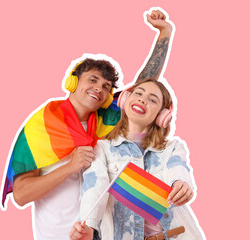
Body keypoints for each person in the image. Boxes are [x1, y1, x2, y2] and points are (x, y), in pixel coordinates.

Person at [0, 9, 174, 240]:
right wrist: (70, 166)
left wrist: (165, 33)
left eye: (106, 86)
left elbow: (143, 85)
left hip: (103, 233)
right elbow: (21, 195)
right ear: (73, 81)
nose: (99, 89)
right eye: (93, 80)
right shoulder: (41, 126)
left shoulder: (106, 119)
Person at [71, 79, 205, 240]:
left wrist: (181, 184)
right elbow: (94, 189)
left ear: (162, 115)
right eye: (138, 93)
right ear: (125, 99)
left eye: (152, 99)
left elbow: (177, 169)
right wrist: (89, 226)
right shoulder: (102, 148)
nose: (142, 99)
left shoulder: (173, 148)